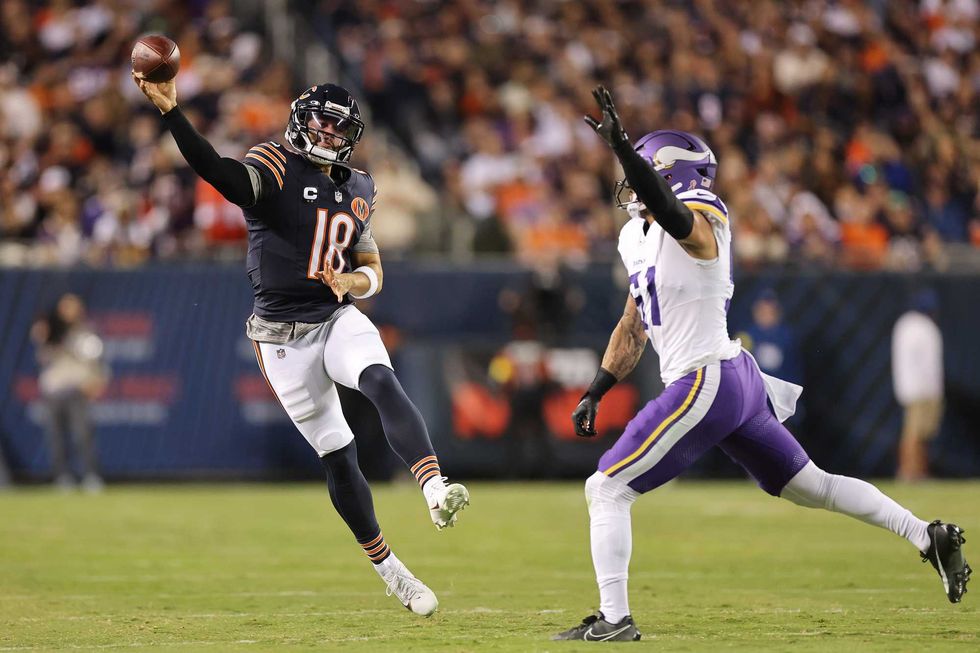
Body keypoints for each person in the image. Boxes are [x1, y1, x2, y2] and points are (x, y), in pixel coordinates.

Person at [552, 87, 970, 641]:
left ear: (669, 174)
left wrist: (628, 152)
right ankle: (927, 535)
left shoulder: (705, 214)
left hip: (706, 377)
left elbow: (681, 221)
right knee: (812, 486)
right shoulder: (635, 235)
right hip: (732, 379)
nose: (629, 184)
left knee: (606, 488)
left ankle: (614, 619)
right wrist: (598, 387)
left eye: (641, 171)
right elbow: (633, 326)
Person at [133, 74, 469, 616]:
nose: (332, 134)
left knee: (380, 378)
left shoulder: (359, 187)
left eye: (341, 128)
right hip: (281, 338)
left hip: (334, 317)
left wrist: (354, 284)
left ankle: (434, 488)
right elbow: (220, 174)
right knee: (339, 457)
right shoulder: (274, 164)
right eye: (324, 122)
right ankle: (392, 570)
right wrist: (173, 114)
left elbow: (372, 268)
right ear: (300, 119)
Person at [29, 293, 108, 492]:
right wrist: (44, 336)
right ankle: (62, 477)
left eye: (72, 307)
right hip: (54, 389)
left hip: (77, 388)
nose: (68, 312)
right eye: (65, 308)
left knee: (82, 434)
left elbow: (96, 362)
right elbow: (43, 356)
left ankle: (91, 476)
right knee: (55, 436)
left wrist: (97, 381)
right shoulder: (51, 330)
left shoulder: (86, 332)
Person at [891, 289, 944, 482]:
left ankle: (918, 471)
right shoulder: (921, 327)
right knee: (914, 433)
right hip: (921, 388)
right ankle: (907, 471)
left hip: (911, 387)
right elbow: (926, 364)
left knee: (919, 434)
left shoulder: (905, 324)